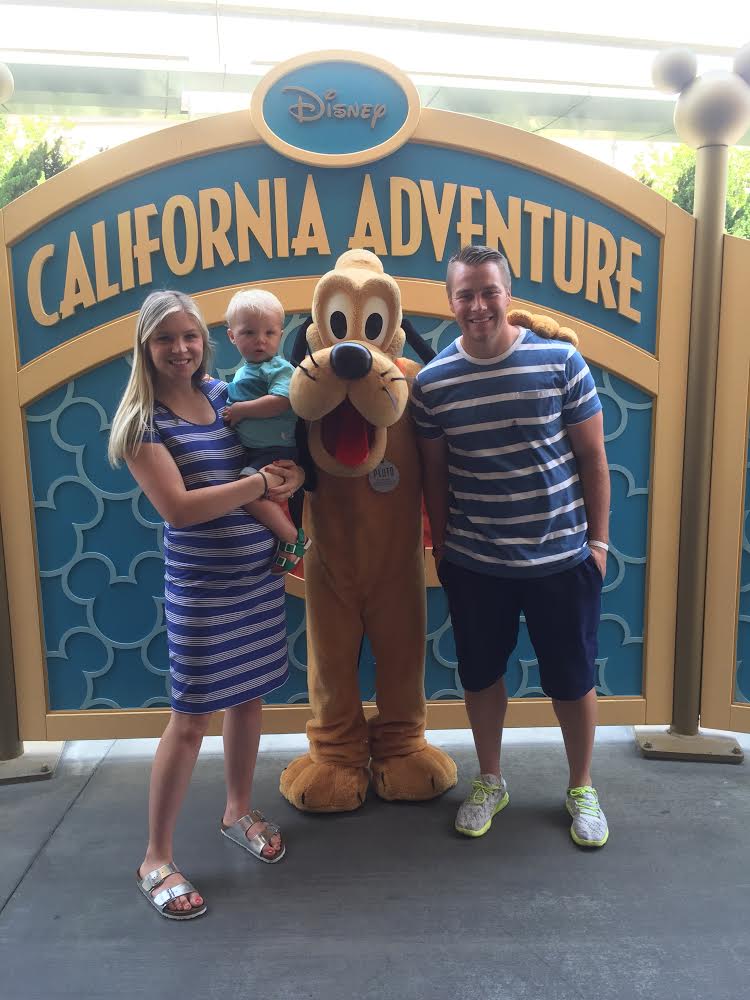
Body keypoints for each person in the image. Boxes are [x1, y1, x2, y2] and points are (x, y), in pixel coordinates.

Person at [108, 289, 306, 920]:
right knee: (191, 718)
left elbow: (265, 463)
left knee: (249, 698)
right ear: (146, 346)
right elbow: (180, 508)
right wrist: (259, 484)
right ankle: (155, 858)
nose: (180, 349)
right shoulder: (141, 424)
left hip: (255, 577)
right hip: (201, 587)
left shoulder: (223, 397)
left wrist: (288, 481)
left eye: (189, 336)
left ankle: (237, 811)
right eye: (166, 338)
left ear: (205, 340)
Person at [412, 245, 611, 849]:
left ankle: (581, 786)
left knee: (572, 681)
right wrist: (444, 549)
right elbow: (434, 474)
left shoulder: (561, 361)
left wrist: (598, 543)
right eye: (465, 294)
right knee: (480, 677)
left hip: (563, 558)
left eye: (488, 291)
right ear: (450, 302)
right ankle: (490, 780)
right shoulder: (432, 383)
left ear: (507, 294)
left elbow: (593, 458)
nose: (478, 305)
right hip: (476, 563)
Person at [224, 288, 309, 574]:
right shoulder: (244, 371)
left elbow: (282, 401)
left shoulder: (278, 368)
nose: (260, 340)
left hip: (276, 449)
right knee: (253, 491)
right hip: (256, 450)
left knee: (246, 491)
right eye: (249, 333)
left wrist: (241, 410)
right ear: (232, 336)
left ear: (280, 335)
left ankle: (292, 538)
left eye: (269, 333)